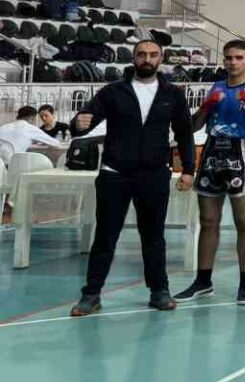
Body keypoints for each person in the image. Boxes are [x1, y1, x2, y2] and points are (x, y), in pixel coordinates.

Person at [69, 38, 196, 316]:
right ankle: (91, 294)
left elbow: (184, 133)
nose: (147, 59)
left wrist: (188, 169)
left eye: (153, 55)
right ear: (133, 58)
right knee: (105, 236)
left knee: (153, 237)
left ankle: (159, 291)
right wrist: (77, 123)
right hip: (114, 174)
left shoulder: (173, 94)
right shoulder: (113, 91)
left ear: (161, 59)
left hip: (154, 175)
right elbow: (84, 121)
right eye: (141, 54)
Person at [176, 39, 245, 305]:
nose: (232, 62)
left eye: (238, 57)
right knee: (208, 220)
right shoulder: (217, 86)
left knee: (244, 221)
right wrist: (206, 105)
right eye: (228, 57)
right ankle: (203, 281)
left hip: (241, 152)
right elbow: (193, 126)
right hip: (212, 151)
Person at [0, 105, 66, 167]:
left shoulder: (3, 127)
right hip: (12, 165)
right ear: (32, 118)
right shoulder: (30, 128)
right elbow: (56, 144)